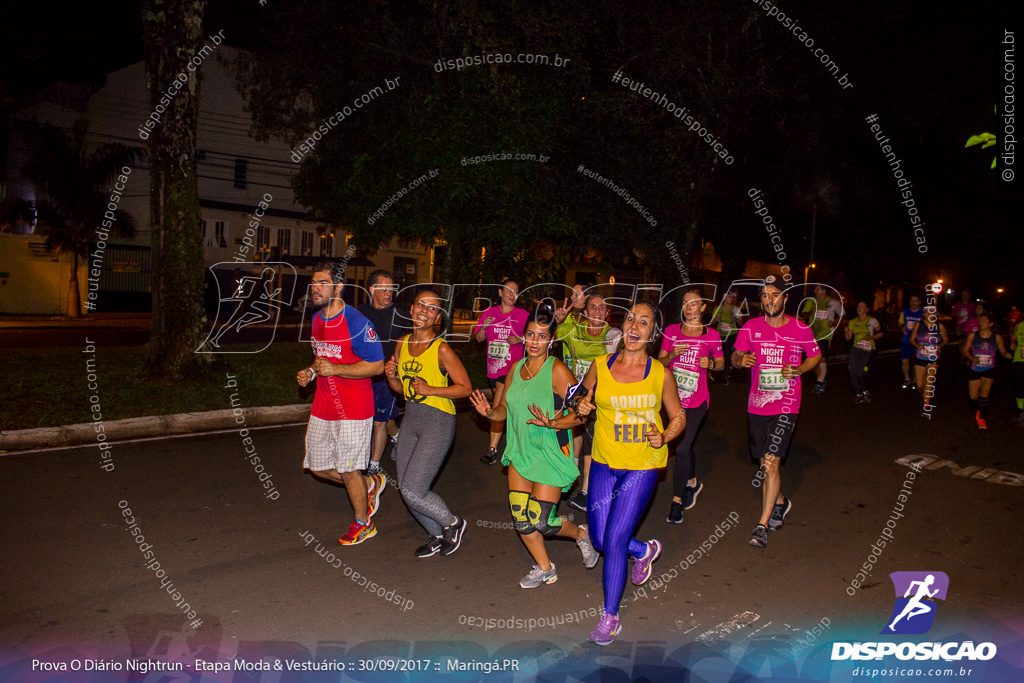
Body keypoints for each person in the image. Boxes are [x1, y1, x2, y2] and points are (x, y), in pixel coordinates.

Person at [540, 301, 685, 645]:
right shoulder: (601, 365)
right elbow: (579, 399)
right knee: (602, 540)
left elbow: (678, 416)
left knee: (615, 539)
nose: (635, 326)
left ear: (653, 332)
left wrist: (664, 435)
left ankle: (610, 615)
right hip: (604, 463)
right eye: (631, 318)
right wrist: (581, 405)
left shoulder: (659, 374)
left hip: (642, 465)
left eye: (644, 321)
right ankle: (643, 551)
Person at [468, 310, 599, 588]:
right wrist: (489, 412)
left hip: (549, 452)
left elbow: (581, 414)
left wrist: (552, 422)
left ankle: (580, 535)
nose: (535, 341)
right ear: (524, 336)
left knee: (543, 521)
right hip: (520, 451)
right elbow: (504, 410)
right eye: (530, 335)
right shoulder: (515, 369)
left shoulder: (557, 370)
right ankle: (545, 568)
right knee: (521, 518)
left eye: (542, 336)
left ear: (551, 340)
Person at [296, 262, 385, 546]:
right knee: (316, 466)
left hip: (354, 407)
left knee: (347, 469)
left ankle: (363, 522)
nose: (315, 288)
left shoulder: (357, 323)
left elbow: (377, 366)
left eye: (322, 283)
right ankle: (369, 484)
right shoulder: (317, 320)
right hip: (323, 404)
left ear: (338, 287)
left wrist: (336, 370)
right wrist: (311, 371)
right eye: (313, 283)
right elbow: (322, 357)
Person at [733, 276, 822, 549]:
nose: (769, 300)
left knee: (771, 462)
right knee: (765, 463)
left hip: (787, 405)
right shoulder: (750, 327)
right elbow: (735, 357)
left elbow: (815, 356)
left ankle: (762, 525)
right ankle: (781, 501)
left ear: (785, 298)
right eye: (764, 295)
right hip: (757, 405)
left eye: (774, 295)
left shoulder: (800, 328)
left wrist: (801, 369)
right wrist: (741, 361)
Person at [384, 289, 473, 556]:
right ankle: (435, 534)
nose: (425, 310)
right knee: (406, 487)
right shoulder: (401, 343)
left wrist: (432, 389)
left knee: (414, 489)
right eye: (421, 305)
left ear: (437, 317)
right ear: (411, 309)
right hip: (411, 418)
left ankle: (453, 523)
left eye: (432, 308)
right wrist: (391, 377)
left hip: (438, 420)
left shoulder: (441, 348)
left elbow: (466, 388)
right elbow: (402, 390)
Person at [658, 287, 724, 523]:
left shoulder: (711, 335)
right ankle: (692, 480)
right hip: (672, 400)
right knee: (679, 445)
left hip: (697, 402)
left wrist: (711, 364)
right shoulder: (672, 331)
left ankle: (677, 501)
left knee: (683, 448)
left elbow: (721, 364)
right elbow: (660, 362)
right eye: (685, 303)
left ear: (703, 307)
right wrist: (672, 354)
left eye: (694, 303)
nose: (688, 307)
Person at [554, 292, 623, 512]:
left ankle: (585, 491)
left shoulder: (612, 334)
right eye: (592, 307)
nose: (597, 311)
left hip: (599, 400)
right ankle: (571, 477)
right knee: (574, 435)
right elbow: (552, 337)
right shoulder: (574, 330)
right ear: (585, 311)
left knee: (591, 442)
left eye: (602, 307)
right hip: (575, 396)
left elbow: (625, 349)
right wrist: (561, 319)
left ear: (607, 312)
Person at [357, 269, 407, 475]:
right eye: (383, 288)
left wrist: (398, 366)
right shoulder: (360, 313)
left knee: (378, 421)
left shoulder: (402, 314)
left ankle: (374, 465)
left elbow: (410, 343)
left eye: (391, 288)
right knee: (384, 419)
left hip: (389, 378)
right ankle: (398, 437)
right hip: (364, 375)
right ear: (372, 289)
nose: (389, 292)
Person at [474, 279, 528, 464]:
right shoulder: (489, 313)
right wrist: (484, 327)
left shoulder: (523, 315)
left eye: (516, 291)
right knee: (509, 407)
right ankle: (518, 443)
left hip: (513, 369)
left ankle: (492, 448)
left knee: (498, 405)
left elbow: (536, 337)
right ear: (500, 292)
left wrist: (521, 339)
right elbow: (479, 338)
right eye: (509, 290)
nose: (513, 294)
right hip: (493, 369)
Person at [961, 311, 1011, 429]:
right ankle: (977, 410)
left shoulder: (996, 337)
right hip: (975, 369)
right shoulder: (973, 336)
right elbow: (965, 350)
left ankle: (982, 419)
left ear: (991, 324)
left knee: (984, 396)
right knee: (973, 397)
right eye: (980, 321)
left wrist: (1006, 354)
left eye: (984, 321)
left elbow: (1002, 350)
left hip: (989, 369)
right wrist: (971, 358)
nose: (981, 323)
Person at [799, 284, 841, 394]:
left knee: (822, 359)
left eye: (817, 289)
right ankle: (821, 379)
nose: (815, 291)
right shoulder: (812, 301)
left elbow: (842, 314)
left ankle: (819, 383)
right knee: (813, 360)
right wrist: (811, 312)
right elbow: (804, 314)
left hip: (826, 334)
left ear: (824, 290)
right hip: (812, 335)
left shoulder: (833, 302)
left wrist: (835, 322)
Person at [909, 307, 948, 412]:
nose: (929, 314)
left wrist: (940, 345)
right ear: (924, 314)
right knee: (919, 384)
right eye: (927, 312)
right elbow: (911, 339)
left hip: (933, 356)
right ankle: (923, 392)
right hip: (920, 356)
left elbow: (945, 340)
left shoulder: (940, 327)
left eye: (932, 312)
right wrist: (917, 345)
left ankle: (927, 403)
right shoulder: (918, 325)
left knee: (929, 380)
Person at [844, 301, 883, 404]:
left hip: (869, 350)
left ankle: (864, 390)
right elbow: (848, 339)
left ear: (867, 309)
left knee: (861, 373)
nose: (859, 308)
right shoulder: (853, 322)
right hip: (856, 349)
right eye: (858, 306)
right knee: (852, 371)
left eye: (862, 307)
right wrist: (846, 332)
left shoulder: (872, 321)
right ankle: (858, 394)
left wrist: (871, 337)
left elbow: (880, 334)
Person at [709, 290, 744, 384]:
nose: (731, 299)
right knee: (718, 354)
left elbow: (741, 323)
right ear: (724, 298)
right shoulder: (718, 308)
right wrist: (716, 319)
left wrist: (735, 319)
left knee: (727, 355)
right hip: (719, 335)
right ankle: (717, 373)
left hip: (731, 335)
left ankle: (726, 375)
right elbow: (711, 322)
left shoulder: (735, 309)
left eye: (732, 297)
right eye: (729, 296)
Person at [898, 294, 925, 389]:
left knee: (916, 362)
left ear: (919, 302)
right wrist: (902, 327)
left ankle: (915, 380)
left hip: (919, 342)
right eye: (912, 301)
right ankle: (907, 378)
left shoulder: (923, 313)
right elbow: (900, 322)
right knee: (905, 360)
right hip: (906, 340)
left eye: (915, 301)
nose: (913, 303)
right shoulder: (905, 312)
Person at [1011, 315, 1024, 421]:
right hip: (1019, 359)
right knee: (1020, 383)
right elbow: (1013, 339)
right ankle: (1020, 409)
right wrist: (1013, 343)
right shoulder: (1019, 326)